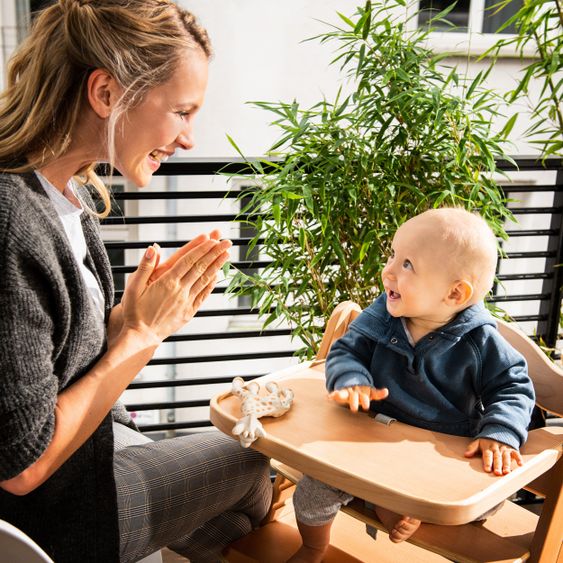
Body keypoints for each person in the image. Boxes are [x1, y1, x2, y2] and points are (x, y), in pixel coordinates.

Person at [0, 1, 272, 562]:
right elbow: (21, 468)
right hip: (49, 521)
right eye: (182, 111)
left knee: (239, 520)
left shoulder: (64, 196)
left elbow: (52, 357)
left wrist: (127, 318)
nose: (190, 139)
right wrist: (142, 336)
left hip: (89, 465)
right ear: (105, 94)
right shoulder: (12, 224)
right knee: (251, 465)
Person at [288, 207, 536, 563]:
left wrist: (499, 432)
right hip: (371, 439)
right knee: (312, 487)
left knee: (483, 494)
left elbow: (512, 386)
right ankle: (314, 546)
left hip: (439, 450)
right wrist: (352, 380)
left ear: (454, 294)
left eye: (407, 265)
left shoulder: (480, 341)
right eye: (393, 255)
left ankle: (406, 510)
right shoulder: (384, 315)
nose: (388, 270)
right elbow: (346, 351)